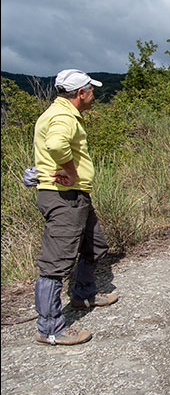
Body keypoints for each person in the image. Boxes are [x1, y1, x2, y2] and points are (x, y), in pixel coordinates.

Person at [32, 69, 120, 346]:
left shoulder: (57, 113)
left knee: (93, 244)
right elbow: (57, 144)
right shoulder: (63, 116)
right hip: (63, 197)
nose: (93, 95)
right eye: (91, 91)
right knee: (55, 263)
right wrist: (69, 169)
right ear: (81, 94)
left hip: (75, 195)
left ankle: (83, 294)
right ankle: (50, 328)